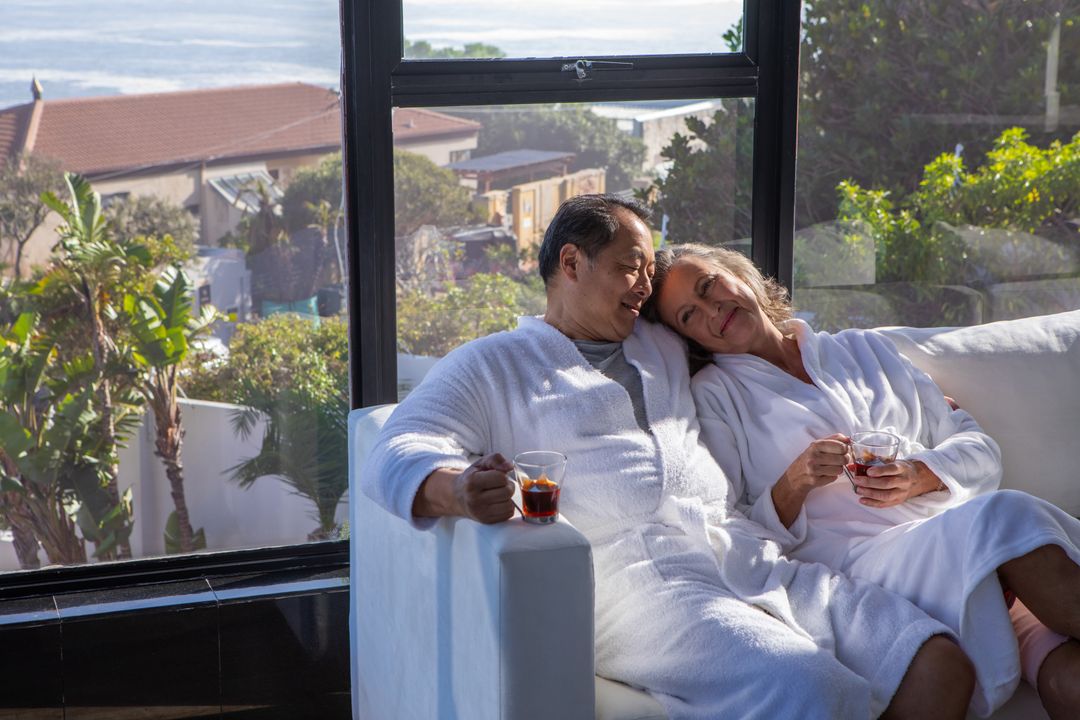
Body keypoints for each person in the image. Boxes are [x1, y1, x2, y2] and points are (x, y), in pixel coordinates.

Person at [362, 194, 976, 720]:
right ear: (571, 263)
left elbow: (753, 327)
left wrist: (907, 391)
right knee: (809, 686)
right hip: (636, 586)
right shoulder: (496, 364)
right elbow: (396, 448)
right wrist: (457, 491)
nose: (645, 286)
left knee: (936, 660)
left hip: (748, 555)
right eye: (631, 268)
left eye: (649, 273)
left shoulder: (660, 342)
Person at [644, 242, 1080, 718]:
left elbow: (977, 447)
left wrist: (922, 474)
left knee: (1068, 682)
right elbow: (731, 529)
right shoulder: (715, 399)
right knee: (1009, 512)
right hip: (871, 567)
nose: (713, 310)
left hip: (973, 551)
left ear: (738, 272)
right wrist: (795, 482)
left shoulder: (863, 348)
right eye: (689, 315)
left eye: (709, 286)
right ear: (690, 340)